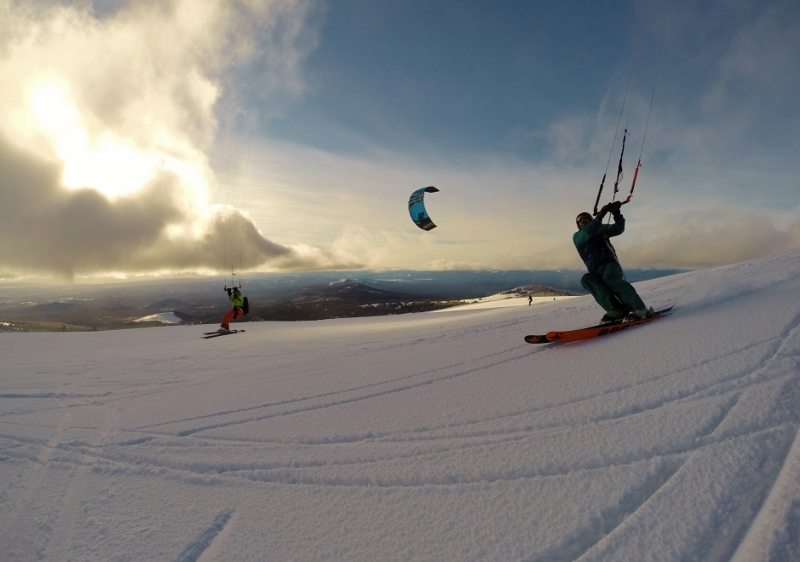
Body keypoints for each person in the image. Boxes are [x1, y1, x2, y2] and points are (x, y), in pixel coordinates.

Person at [573, 201, 651, 323]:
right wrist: (601, 215)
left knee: (611, 279)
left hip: (609, 264)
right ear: (578, 225)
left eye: (586, 219)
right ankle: (616, 310)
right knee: (586, 279)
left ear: (590, 220)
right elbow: (588, 231)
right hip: (595, 270)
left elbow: (618, 228)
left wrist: (617, 213)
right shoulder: (577, 236)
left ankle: (639, 308)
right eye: (580, 221)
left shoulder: (600, 229)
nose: (583, 221)